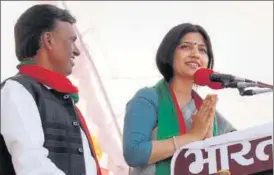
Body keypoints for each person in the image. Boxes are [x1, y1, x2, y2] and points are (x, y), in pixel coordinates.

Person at [122, 23, 236, 175]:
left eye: (202, 50)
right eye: (185, 47)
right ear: (169, 53)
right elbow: (134, 153)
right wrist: (192, 137)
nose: (195, 54)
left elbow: (240, 149)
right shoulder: (149, 98)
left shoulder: (209, 114)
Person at [1, 4, 101, 175]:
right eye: (71, 41)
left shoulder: (62, 99)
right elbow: (33, 167)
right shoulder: (17, 90)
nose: (76, 51)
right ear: (48, 40)